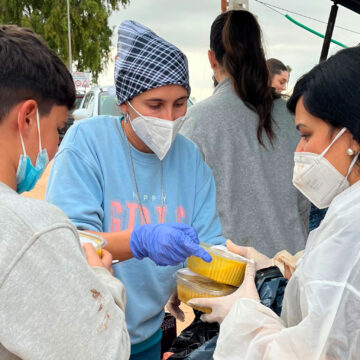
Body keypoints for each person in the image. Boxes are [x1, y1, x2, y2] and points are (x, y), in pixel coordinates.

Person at [0, 24, 212, 359]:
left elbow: (207, 248)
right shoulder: (87, 146)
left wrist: (195, 280)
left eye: (181, 103)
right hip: (103, 333)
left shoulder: (191, 159)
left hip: (149, 334)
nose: (169, 118)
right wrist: (140, 241)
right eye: (155, 104)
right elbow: (74, 248)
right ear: (125, 102)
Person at [190, 46, 360, 359]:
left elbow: (296, 353)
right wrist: (276, 266)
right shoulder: (347, 209)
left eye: (306, 135)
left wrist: (243, 315)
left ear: (349, 137)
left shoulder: (352, 230)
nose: (299, 149)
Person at [181, 10, 309, 257]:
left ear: (211, 58)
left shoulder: (197, 121)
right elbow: (305, 204)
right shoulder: (296, 119)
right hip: (293, 273)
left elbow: (185, 213)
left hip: (232, 278)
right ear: (259, 54)